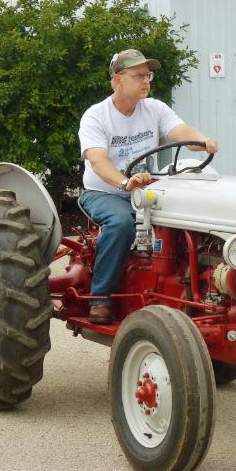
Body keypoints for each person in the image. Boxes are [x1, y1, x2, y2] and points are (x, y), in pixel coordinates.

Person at [78, 49, 218, 324]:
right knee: (120, 223)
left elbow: (180, 133)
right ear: (118, 79)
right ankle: (100, 298)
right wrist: (123, 181)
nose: (146, 81)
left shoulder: (154, 108)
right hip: (105, 192)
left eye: (148, 75)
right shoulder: (96, 117)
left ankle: (191, 291)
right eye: (139, 75)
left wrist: (202, 140)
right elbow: (97, 161)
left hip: (148, 192)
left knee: (193, 218)